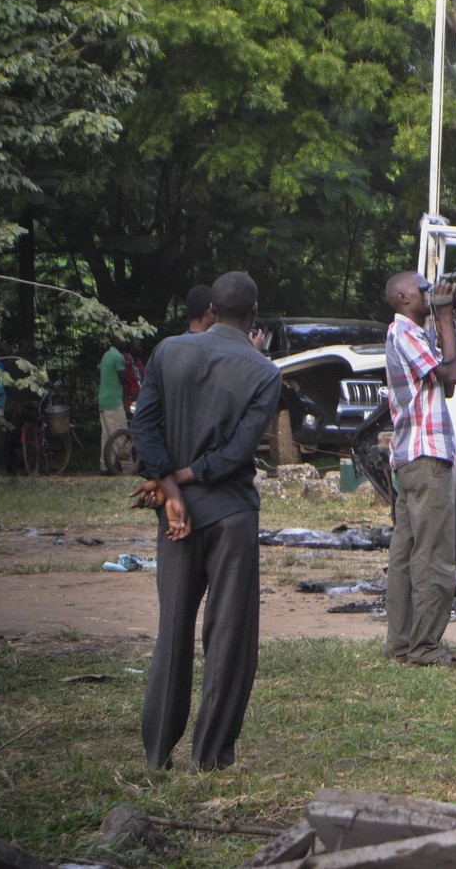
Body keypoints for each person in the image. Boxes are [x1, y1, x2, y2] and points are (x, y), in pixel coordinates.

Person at [130, 271, 281, 770]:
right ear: (253, 313)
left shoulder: (168, 352)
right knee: (228, 637)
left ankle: (156, 755)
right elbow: (237, 454)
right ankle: (210, 756)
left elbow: (144, 427)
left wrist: (169, 488)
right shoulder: (263, 371)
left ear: (211, 310)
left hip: (176, 519)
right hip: (230, 514)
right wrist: (185, 478)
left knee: (172, 629)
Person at [382, 269, 456, 668]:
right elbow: (452, 373)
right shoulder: (406, 333)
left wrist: (444, 320)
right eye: (423, 289)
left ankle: (401, 642)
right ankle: (426, 647)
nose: (430, 294)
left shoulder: (410, 334)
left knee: (406, 552)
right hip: (426, 455)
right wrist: (446, 317)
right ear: (402, 297)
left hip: (409, 457)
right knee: (433, 554)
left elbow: (446, 383)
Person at [98, 338, 128, 473]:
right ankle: (128, 466)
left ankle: (105, 466)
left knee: (106, 435)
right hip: (113, 401)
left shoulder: (106, 355)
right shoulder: (118, 357)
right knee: (120, 432)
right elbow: (123, 378)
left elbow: (98, 370)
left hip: (103, 400)